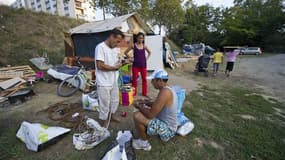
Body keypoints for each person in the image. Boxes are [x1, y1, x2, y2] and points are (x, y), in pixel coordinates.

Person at [132, 69, 178, 151]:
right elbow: (157, 103)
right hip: (169, 124)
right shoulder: (167, 89)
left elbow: (150, 115)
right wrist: (145, 102)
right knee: (144, 109)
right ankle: (147, 132)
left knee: (137, 116)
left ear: (160, 80)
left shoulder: (165, 93)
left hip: (168, 130)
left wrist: (138, 106)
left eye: (153, 80)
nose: (152, 83)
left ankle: (144, 144)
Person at [95, 29, 125, 128]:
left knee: (115, 100)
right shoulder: (100, 47)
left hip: (114, 80)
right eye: (117, 41)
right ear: (112, 36)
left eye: (119, 42)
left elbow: (118, 61)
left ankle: (112, 116)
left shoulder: (116, 48)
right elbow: (100, 65)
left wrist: (125, 61)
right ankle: (104, 120)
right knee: (104, 102)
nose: (118, 43)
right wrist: (114, 68)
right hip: (103, 81)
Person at [124, 32, 151, 97]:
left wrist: (146, 59)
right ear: (137, 38)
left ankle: (144, 93)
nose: (140, 39)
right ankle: (134, 93)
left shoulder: (144, 46)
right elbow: (125, 52)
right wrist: (130, 58)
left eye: (142, 38)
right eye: (139, 38)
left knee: (144, 79)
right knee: (134, 79)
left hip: (143, 65)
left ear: (143, 39)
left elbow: (149, 52)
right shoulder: (133, 45)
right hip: (135, 65)